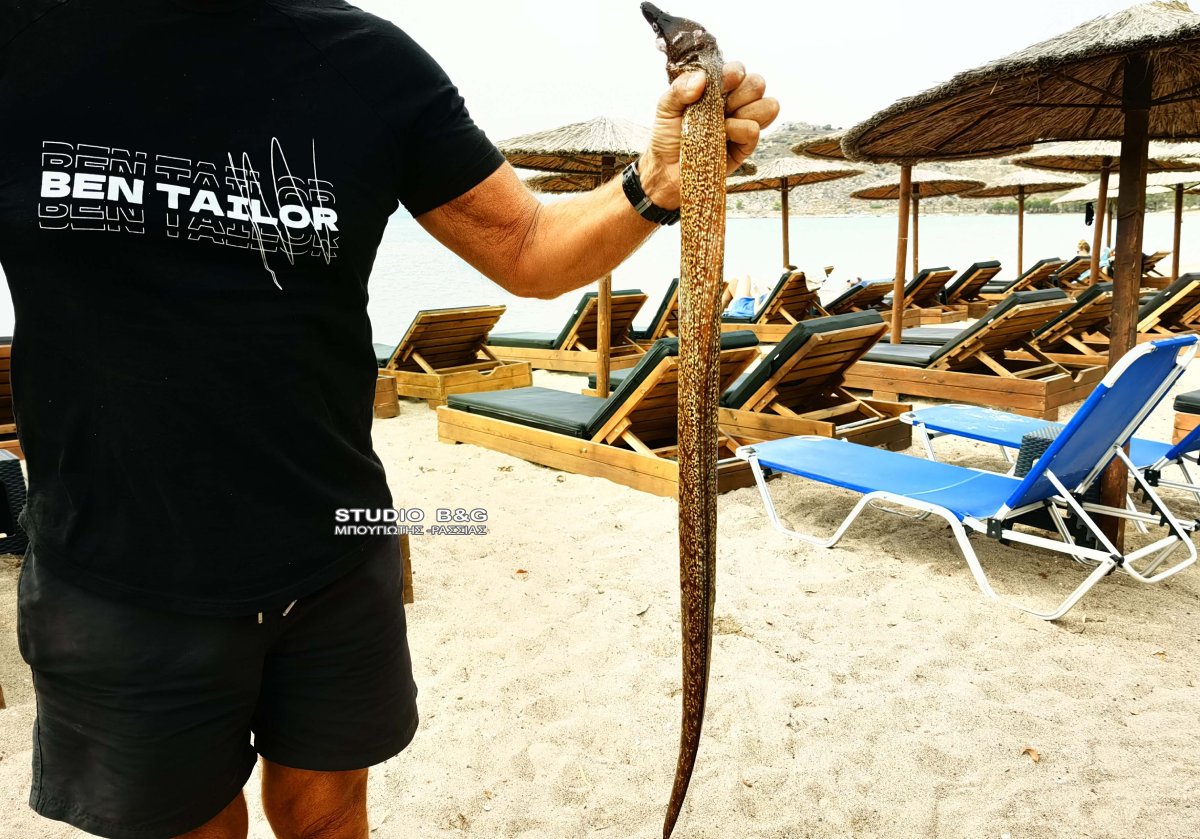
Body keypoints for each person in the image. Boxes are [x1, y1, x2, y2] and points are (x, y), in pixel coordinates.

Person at [0, 2, 779, 838]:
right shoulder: (26, 39)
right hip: (119, 568)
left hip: (333, 551)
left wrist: (657, 183)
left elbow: (527, 247)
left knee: (332, 816)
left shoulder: (370, 62)